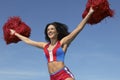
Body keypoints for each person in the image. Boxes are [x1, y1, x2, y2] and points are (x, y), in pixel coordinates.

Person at [10, 7, 94, 80]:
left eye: (52, 29)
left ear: (57, 32)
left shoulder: (62, 43)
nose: (49, 31)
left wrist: (90, 13)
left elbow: (78, 29)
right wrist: (15, 33)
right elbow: (29, 41)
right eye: (48, 30)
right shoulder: (44, 46)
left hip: (63, 74)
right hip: (52, 77)